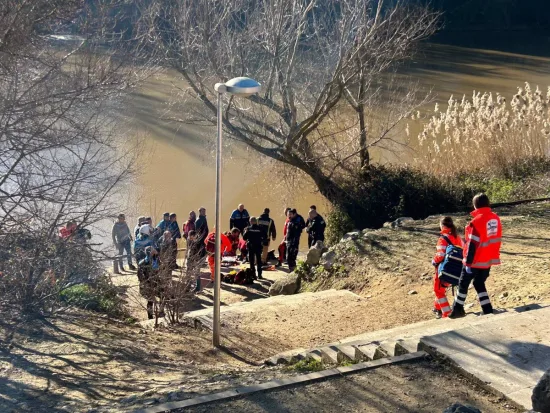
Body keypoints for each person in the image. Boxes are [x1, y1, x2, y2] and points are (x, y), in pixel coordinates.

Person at [449, 193, 502, 319]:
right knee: (479, 283)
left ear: (475, 205)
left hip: (474, 260)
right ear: (488, 203)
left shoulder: (476, 222)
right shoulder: (495, 218)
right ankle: (487, 309)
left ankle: (457, 309)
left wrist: (468, 263)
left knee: (463, 284)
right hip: (488, 259)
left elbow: (471, 244)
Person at [431, 217, 463, 318]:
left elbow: (440, 255)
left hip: (444, 269)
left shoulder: (443, 238)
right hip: (455, 269)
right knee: (441, 289)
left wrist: (434, 261)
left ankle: (446, 313)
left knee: (438, 290)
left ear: (442, 225)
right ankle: (437, 308)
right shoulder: (457, 237)